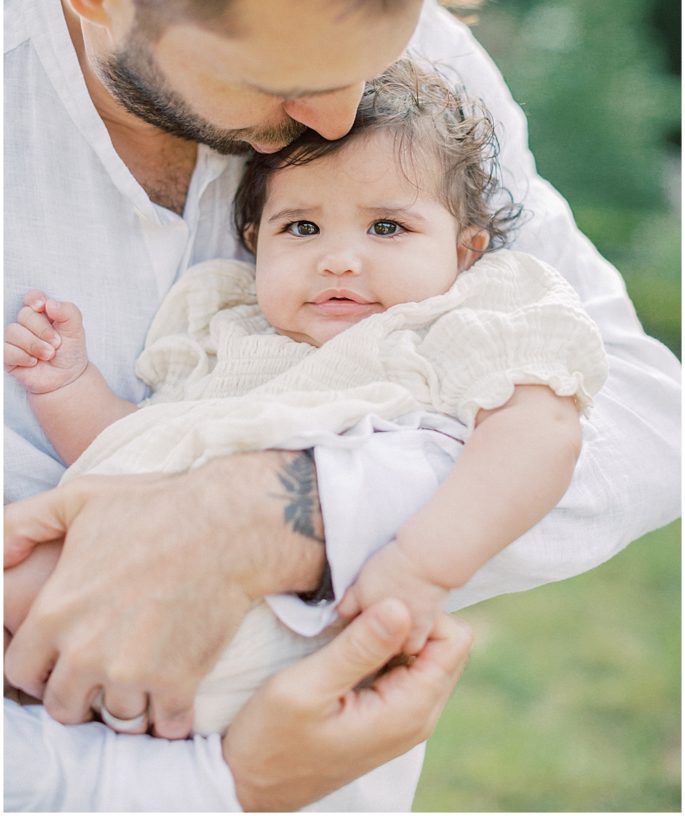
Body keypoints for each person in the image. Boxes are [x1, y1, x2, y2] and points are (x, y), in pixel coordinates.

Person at [4, 0, 679, 812]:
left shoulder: (408, 67)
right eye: (278, 81)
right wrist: (223, 784)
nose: (340, 114)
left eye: (372, 57)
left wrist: (280, 515)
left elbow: (633, 411)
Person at [5, 57, 609, 735]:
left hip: (265, 615)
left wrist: (423, 564)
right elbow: (129, 443)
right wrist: (67, 383)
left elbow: (541, 433)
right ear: (254, 244)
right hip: (126, 587)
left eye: (386, 228)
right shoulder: (227, 329)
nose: (338, 259)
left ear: (465, 252)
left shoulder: (452, 326)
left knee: (27, 585)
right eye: (301, 228)